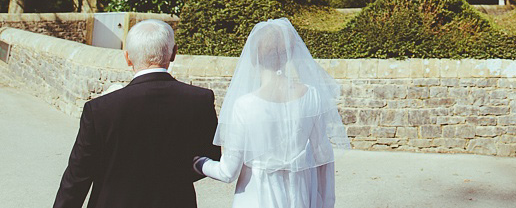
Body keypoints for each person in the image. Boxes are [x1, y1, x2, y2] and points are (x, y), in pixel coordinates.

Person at [53, 19, 219, 208]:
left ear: (127, 57)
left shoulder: (100, 109)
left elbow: (77, 177)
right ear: (174, 53)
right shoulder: (199, 100)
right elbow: (210, 157)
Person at [193, 18, 349, 208]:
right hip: (298, 196)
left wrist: (199, 163)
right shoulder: (311, 96)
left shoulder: (244, 105)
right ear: (289, 55)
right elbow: (323, 156)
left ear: (253, 58)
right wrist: (326, 203)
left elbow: (228, 172)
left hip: (255, 198)